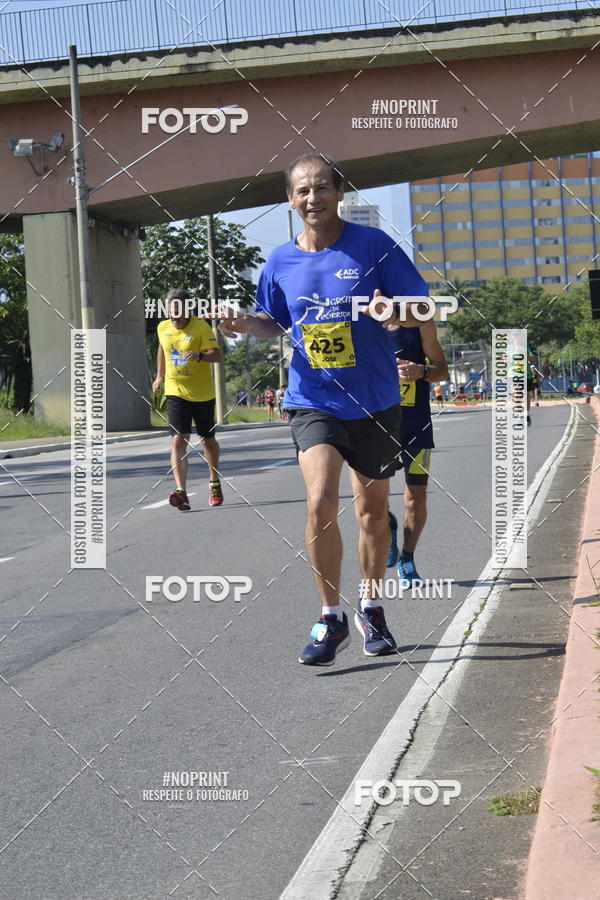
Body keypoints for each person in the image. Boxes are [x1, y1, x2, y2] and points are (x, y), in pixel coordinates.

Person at [216, 152, 429, 666]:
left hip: (375, 401)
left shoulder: (374, 246)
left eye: (322, 188)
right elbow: (273, 320)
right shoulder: (279, 262)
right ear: (290, 200)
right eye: (303, 191)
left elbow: (422, 306)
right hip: (313, 400)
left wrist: (393, 309)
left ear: (339, 192)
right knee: (319, 500)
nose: (313, 198)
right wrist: (244, 324)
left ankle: (371, 607)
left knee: (371, 512)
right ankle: (330, 616)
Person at [388, 321, 449, 585]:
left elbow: (442, 369)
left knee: (415, 498)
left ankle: (407, 557)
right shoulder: (363, 321)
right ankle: (387, 526)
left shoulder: (420, 323)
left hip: (416, 427)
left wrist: (421, 371)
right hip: (376, 426)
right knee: (371, 499)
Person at [152, 288, 224, 510]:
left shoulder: (201, 327)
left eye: (178, 313)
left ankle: (214, 482)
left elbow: (217, 355)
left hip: (202, 394)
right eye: (170, 313)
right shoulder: (162, 327)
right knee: (178, 439)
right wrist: (159, 376)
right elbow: (162, 349)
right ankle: (181, 492)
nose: (174, 318)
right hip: (176, 391)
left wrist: (200, 356)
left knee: (207, 440)